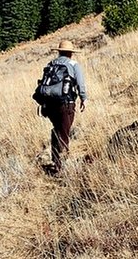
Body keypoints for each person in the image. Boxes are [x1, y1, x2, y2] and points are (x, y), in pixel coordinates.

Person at [42, 39, 87, 174]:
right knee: (64, 132)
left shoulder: (51, 64)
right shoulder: (73, 64)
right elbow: (80, 83)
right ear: (70, 53)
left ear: (59, 52)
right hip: (66, 103)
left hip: (49, 104)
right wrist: (83, 98)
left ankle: (56, 162)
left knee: (57, 129)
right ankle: (63, 166)